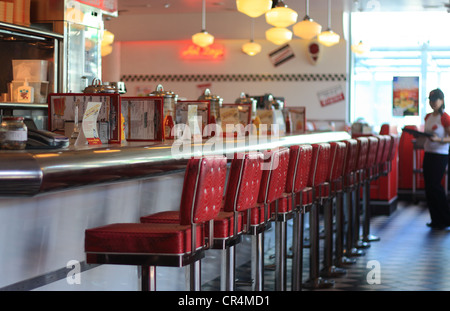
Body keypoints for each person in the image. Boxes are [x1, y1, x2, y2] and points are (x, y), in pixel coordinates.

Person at [423, 88, 450, 229]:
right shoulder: (427, 117)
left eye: (435, 100)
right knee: (429, 187)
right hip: (428, 153)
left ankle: (445, 219)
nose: (433, 103)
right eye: (431, 100)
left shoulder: (445, 117)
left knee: (435, 185)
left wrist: (439, 139)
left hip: (440, 154)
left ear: (442, 100)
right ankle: (435, 219)